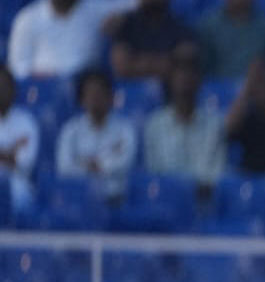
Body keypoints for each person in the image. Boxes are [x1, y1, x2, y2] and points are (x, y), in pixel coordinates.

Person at [7, 0, 138, 79]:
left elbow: (135, 0)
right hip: (42, 89)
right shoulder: (27, 18)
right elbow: (17, 67)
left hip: (83, 89)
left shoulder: (95, 9)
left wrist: (123, 18)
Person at [143, 57, 225, 188]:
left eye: (190, 76)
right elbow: (154, 173)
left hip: (202, 202)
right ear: (171, 82)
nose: (185, 82)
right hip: (166, 200)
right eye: (180, 77)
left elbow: (216, 176)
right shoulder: (154, 125)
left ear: (199, 83)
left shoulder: (215, 125)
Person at [55, 68, 136, 199]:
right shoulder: (70, 130)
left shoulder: (125, 129)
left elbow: (125, 163)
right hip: (79, 197)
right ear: (82, 99)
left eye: (100, 93)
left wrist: (91, 164)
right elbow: (64, 168)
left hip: (114, 196)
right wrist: (100, 165)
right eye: (90, 94)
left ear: (110, 97)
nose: (95, 99)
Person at [109, 0, 195, 83]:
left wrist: (138, 62)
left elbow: (183, 62)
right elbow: (121, 66)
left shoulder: (180, 26)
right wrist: (160, 63)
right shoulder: (126, 25)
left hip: (169, 93)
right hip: (132, 92)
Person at [0, 67, 42, 213]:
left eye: (4, 86)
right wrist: (9, 152)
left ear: (13, 90)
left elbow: (24, 163)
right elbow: (12, 157)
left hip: (16, 183)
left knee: (21, 197)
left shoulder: (26, 122)